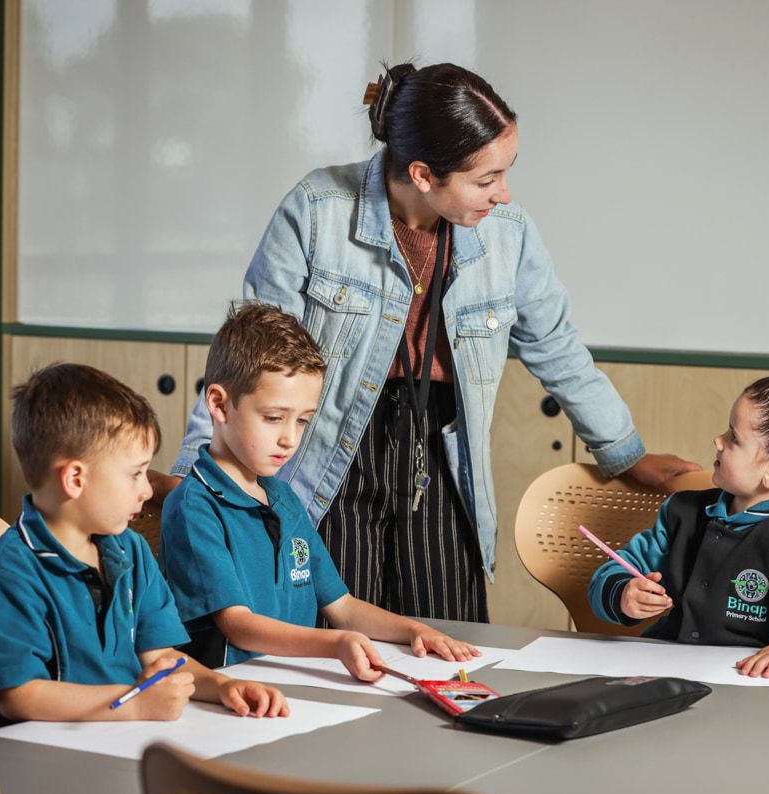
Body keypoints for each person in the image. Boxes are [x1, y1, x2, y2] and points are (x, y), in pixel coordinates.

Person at [157, 61, 699, 623]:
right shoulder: (317, 209)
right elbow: (249, 353)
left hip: (443, 452)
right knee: (340, 636)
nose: (504, 195)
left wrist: (626, 454)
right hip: (331, 451)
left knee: (448, 642)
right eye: (486, 180)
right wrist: (195, 471)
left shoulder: (510, 236)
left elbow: (557, 348)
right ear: (422, 174)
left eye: (507, 173)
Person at [0, 363, 287, 731]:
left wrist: (223, 686)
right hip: (38, 753)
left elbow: (159, 655)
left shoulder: (131, 550)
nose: (148, 490)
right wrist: (132, 705)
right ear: (75, 478)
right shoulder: (8, 575)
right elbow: (19, 697)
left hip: (118, 737)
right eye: (135, 473)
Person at [161, 302, 480, 679]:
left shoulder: (284, 499)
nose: (289, 439)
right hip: (232, 692)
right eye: (273, 418)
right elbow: (238, 624)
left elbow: (342, 606)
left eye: (302, 421)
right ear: (219, 404)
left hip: (296, 690)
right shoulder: (194, 506)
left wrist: (414, 630)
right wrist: (332, 644)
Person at [588, 356, 769, 678]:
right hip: (657, 677)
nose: (718, 441)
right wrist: (624, 593)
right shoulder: (680, 512)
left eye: (734, 438)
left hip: (744, 692)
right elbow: (615, 568)